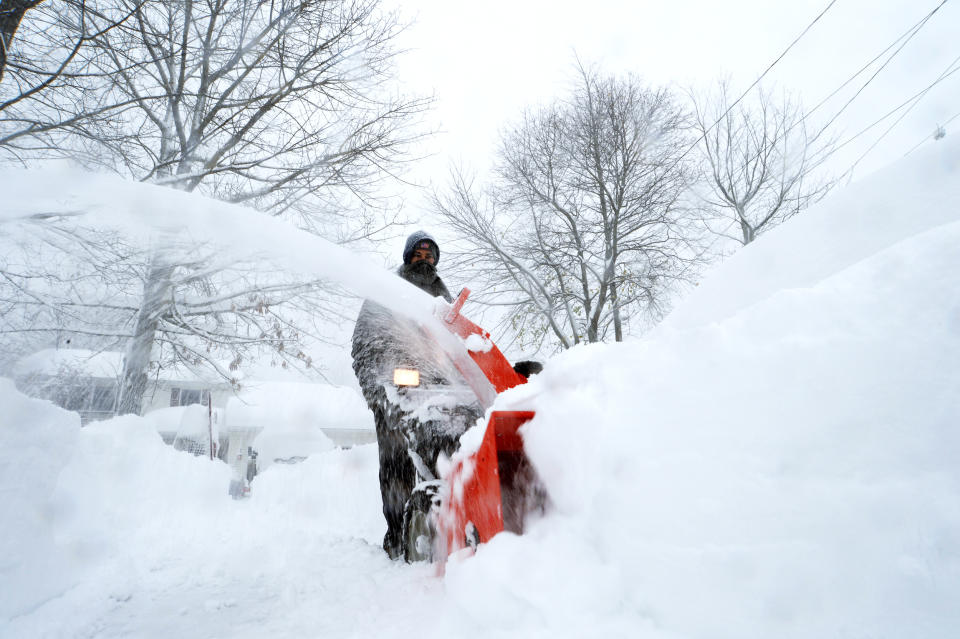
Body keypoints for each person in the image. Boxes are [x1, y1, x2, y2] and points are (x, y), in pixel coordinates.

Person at [351, 230, 478, 559]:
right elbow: (363, 347)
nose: (425, 260)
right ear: (408, 257)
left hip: (440, 394)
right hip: (396, 395)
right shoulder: (387, 292)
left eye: (430, 255)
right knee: (398, 466)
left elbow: (458, 346)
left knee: (451, 456)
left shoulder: (442, 297)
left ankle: (452, 522)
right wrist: (379, 393)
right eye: (418, 254)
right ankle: (397, 537)